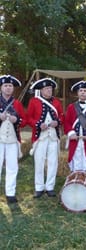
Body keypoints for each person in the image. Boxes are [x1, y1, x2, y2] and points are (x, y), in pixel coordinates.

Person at [27, 78, 64, 198]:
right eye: (46, 89)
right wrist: (38, 124)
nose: (49, 90)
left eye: (50, 89)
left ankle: (50, 187)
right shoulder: (34, 101)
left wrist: (57, 122)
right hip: (40, 137)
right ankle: (39, 187)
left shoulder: (57, 102)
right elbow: (29, 118)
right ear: (41, 90)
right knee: (39, 162)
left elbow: (62, 116)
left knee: (53, 162)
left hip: (53, 137)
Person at [0, 75, 26, 203]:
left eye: (10, 86)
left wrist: (17, 121)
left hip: (12, 139)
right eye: (6, 85)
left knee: (12, 167)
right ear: (1, 87)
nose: (8, 88)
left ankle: (10, 193)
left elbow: (24, 120)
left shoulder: (17, 103)